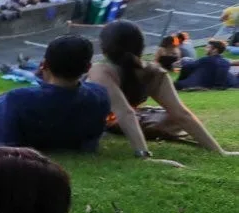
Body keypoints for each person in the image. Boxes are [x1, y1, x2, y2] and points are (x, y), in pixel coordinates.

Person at [92, 22, 234, 156]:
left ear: (105, 48)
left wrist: (219, 152)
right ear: (141, 46)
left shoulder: (101, 70)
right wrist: (220, 152)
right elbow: (181, 114)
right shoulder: (153, 72)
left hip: (102, 121)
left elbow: (179, 114)